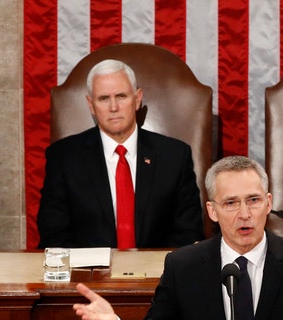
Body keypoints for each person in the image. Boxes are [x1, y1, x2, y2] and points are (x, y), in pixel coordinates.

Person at [73, 155, 283, 320]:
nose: (244, 214)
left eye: (252, 200)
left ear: (268, 203)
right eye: (231, 203)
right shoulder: (183, 267)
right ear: (212, 210)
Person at [36, 59, 204, 249]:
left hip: (159, 274)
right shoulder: (64, 157)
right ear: (91, 105)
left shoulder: (174, 156)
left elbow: (188, 233)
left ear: (137, 99)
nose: (113, 107)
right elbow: (54, 235)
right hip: (89, 275)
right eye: (104, 98)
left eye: (121, 96)